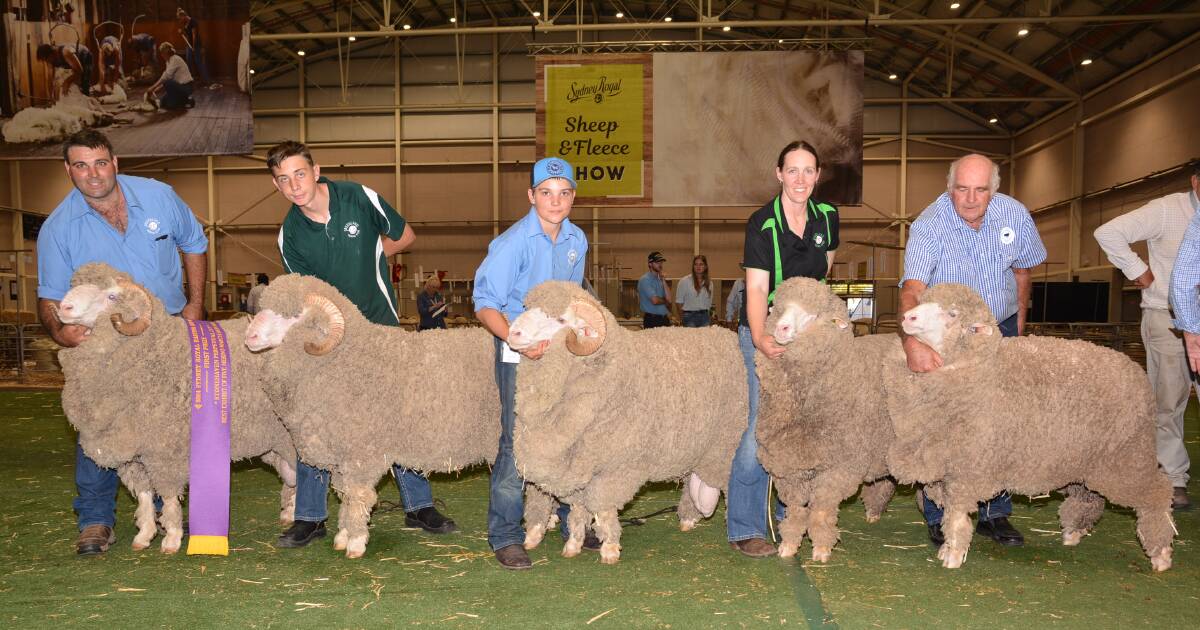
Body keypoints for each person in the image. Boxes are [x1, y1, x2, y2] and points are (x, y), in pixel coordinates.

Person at [267, 140, 456, 548]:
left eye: (300, 174)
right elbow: (304, 294)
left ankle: (419, 506)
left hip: (381, 328)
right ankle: (310, 516)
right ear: (277, 185)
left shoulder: (357, 196)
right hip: (328, 342)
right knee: (316, 421)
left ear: (316, 171)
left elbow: (405, 235)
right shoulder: (290, 235)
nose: (294, 185)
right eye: (283, 180)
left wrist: (374, 254)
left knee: (398, 414)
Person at [37, 130, 208, 555]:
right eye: (80, 165)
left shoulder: (159, 196)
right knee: (101, 422)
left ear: (114, 162)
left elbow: (195, 243)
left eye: (99, 163)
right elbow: (50, 295)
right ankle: (96, 519)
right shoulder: (59, 228)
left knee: (185, 414)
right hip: (109, 344)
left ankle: (197, 506)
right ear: (68, 170)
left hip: (168, 331)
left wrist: (196, 304)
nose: (92, 174)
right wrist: (61, 332)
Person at [900, 153, 1046, 547]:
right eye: (962, 189)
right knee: (943, 420)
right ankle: (938, 509)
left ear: (993, 191)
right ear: (950, 188)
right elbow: (912, 288)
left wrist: (1017, 327)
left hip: (998, 329)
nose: (970, 198)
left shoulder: (1014, 216)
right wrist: (913, 341)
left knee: (998, 420)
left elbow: (1022, 269)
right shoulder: (930, 225)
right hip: (947, 336)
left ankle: (994, 512)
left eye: (980, 189)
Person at [473, 156, 589, 570]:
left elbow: (573, 301)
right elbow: (484, 304)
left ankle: (569, 519)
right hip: (516, 353)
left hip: (557, 356)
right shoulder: (513, 243)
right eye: (546, 193)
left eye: (563, 193)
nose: (555, 201)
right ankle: (504, 534)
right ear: (531, 196)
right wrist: (516, 342)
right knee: (515, 439)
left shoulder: (577, 240)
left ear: (573, 195)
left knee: (564, 432)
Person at [728, 140, 839, 558]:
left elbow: (823, 275)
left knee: (804, 425)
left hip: (808, 340)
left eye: (808, 170)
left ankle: (790, 509)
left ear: (818, 175)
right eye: (792, 170)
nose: (800, 179)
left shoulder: (827, 218)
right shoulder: (762, 223)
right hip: (766, 329)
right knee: (763, 424)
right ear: (778, 174)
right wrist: (761, 339)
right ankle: (745, 525)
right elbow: (756, 287)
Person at [1096, 162, 1200, 511]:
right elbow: (1108, 232)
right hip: (1167, 318)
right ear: (1195, 181)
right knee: (1168, 401)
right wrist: (1138, 271)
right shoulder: (1167, 210)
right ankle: (1172, 478)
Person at [147, 42, 195, 111]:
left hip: (186, 87)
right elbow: (169, 77)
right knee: (163, 103)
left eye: (162, 53)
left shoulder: (175, 59)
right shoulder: (168, 61)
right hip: (179, 86)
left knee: (168, 83)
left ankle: (187, 100)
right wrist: (156, 89)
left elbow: (167, 76)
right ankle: (181, 100)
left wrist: (153, 87)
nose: (161, 55)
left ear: (166, 52)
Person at [176, 8, 213, 87]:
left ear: (183, 16)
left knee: (199, 62)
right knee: (188, 62)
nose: (180, 21)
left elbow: (194, 36)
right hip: (189, 46)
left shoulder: (193, 22)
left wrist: (193, 47)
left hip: (196, 45)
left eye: (180, 19)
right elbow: (187, 35)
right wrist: (182, 32)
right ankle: (189, 80)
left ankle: (206, 81)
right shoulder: (185, 23)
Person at [675, 254, 714, 327]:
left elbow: (710, 303)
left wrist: (709, 317)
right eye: (696, 264)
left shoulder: (710, 283)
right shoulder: (684, 281)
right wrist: (683, 318)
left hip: (705, 317)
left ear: (705, 267)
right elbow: (678, 302)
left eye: (701, 264)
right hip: (689, 317)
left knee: (704, 338)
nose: (698, 267)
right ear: (693, 267)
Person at [638, 252, 672, 328]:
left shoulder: (660, 280)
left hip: (664, 319)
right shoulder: (645, 280)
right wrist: (665, 301)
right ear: (650, 264)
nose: (660, 264)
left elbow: (669, 299)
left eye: (661, 262)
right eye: (657, 262)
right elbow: (655, 300)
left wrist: (663, 280)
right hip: (652, 321)